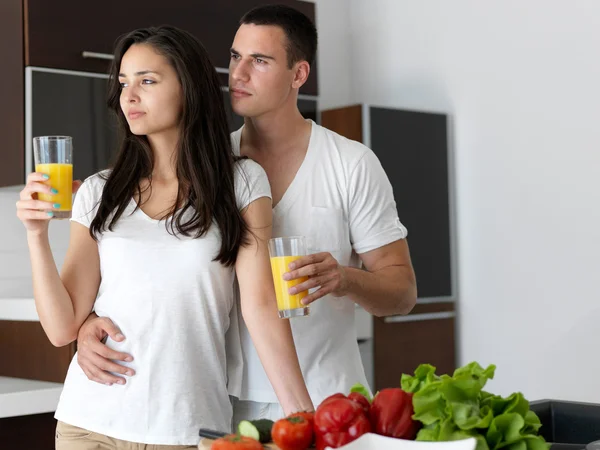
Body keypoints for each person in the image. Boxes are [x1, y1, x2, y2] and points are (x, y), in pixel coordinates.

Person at [75, 4, 417, 425]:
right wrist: (86, 322)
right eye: (235, 57)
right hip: (227, 400)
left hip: (326, 396)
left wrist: (343, 278)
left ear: (298, 75)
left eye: (260, 60)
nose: (238, 73)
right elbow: (149, 272)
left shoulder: (351, 164)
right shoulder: (204, 165)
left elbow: (402, 293)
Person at [16, 25, 312, 449]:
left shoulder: (242, 182)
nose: (129, 96)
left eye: (147, 81)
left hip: (187, 430)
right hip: (88, 425)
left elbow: (261, 308)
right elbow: (62, 327)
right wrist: (35, 235)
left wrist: (304, 416)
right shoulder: (99, 191)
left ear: (188, 88)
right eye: (123, 83)